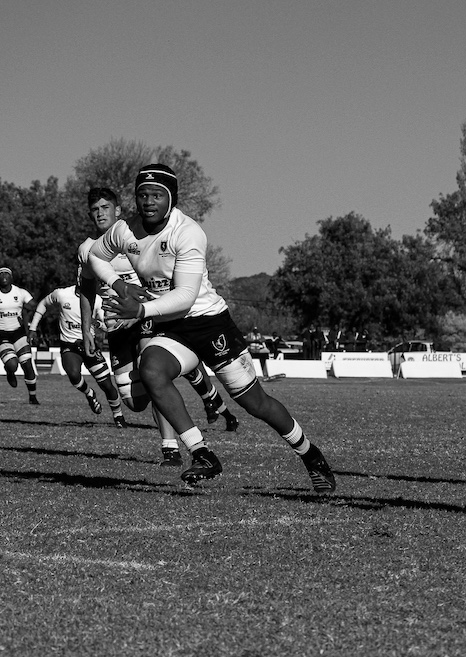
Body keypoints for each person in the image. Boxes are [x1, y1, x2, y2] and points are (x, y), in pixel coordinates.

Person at [88, 164, 335, 491]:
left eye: (157, 195)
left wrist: (142, 308)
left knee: (255, 403)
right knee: (151, 370)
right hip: (172, 327)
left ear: (171, 198)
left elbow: (187, 297)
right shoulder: (125, 230)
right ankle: (202, 453)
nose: (149, 201)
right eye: (142, 194)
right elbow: (94, 256)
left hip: (209, 324)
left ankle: (310, 454)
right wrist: (119, 286)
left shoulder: (188, 232)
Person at [78, 187, 238, 459]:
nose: (100, 214)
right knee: (134, 402)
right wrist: (87, 329)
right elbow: (86, 289)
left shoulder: (135, 236)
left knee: (153, 370)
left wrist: (142, 310)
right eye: (95, 210)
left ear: (118, 210)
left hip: (145, 320)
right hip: (116, 328)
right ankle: (203, 386)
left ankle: (171, 447)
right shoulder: (88, 249)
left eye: (106, 208)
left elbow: (162, 280)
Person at [28, 284, 127, 426]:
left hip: (89, 345)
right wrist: (33, 328)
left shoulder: (97, 300)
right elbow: (43, 303)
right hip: (69, 345)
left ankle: (118, 417)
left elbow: (106, 325)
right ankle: (89, 393)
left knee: (107, 385)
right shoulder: (62, 294)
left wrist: (98, 324)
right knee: (73, 374)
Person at [0, 267, 40, 404]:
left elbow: (35, 305)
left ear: (11, 278)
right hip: (1, 335)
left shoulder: (20, 293)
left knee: (27, 364)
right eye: (1, 274)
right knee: (13, 364)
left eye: (7, 274)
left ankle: (32, 397)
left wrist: (28, 314)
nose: (4, 276)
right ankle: (9, 372)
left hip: (19, 332)